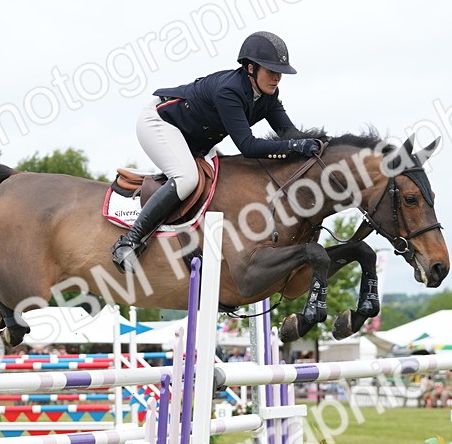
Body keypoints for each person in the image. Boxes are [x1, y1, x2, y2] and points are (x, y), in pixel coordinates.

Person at [111, 31, 321, 273]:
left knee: (225, 180)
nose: (277, 78)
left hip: (194, 138)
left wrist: (319, 144)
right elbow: (248, 146)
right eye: (271, 71)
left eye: (280, 73)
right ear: (251, 68)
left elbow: (289, 134)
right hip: (160, 123)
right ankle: (130, 241)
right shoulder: (229, 91)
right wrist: (294, 147)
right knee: (187, 178)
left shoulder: (268, 97)